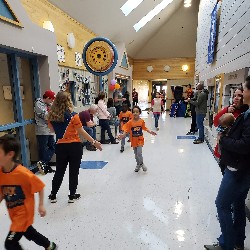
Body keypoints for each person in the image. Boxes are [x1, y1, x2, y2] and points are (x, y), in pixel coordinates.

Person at [204, 76, 250, 250]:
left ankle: (226, 244)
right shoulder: (243, 113)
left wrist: (222, 140)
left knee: (222, 204)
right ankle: (237, 241)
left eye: (242, 91)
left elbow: (245, 146)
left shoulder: (247, 116)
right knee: (237, 204)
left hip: (238, 169)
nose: (239, 96)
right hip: (238, 167)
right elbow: (217, 122)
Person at [0, 135, 57, 250]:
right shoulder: (1, 172)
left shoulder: (23, 174)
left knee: (10, 243)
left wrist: (41, 205)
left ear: (10, 154)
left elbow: (40, 187)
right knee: (29, 232)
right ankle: (49, 245)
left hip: (23, 213)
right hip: (13, 212)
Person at [47, 91, 102, 204]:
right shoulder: (73, 116)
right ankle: (72, 195)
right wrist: (94, 141)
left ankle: (53, 195)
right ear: (68, 101)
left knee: (59, 171)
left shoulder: (51, 116)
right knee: (73, 171)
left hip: (60, 146)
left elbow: (52, 130)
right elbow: (81, 131)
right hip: (74, 146)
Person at [118, 106, 157, 172]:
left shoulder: (141, 121)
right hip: (133, 140)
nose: (135, 113)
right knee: (136, 155)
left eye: (137, 112)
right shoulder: (130, 122)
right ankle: (138, 164)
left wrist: (150, 132)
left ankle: (141, 164)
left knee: (139, 153)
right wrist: (123, 135)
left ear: (139, 113)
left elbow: (144, 128)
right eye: (134, 112)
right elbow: (126, 129)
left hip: (140, 139)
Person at [34, 90, 56, 175]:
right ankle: (44, 166)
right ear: (47, 98)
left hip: (49, 129)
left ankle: (43, 163)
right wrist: (53, 113)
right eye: (51, 99)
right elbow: (46, 116)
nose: (52, 101)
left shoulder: (48, 104)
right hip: (42, 129)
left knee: (53, 147)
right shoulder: (38, 104)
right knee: (43, 149)